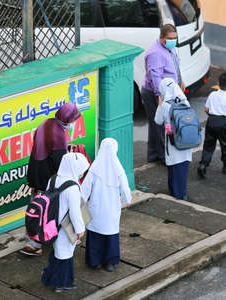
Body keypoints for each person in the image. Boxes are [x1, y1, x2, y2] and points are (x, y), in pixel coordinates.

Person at [21, 102, 81, 256]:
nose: (74, 123)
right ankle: (42, 241)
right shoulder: (59, 135)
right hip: (47, 178)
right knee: (51, 210)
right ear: (67, 119)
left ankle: (32, 241)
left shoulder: (46, 123)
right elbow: (59, 163)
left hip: (35, 172)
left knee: (36, 207)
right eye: (73, 120)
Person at [41, 153, 90, 292]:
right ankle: (61, 284)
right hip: (65, 227)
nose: (81, 173)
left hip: (51, 225)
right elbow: (75, 212)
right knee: (65, 255)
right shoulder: (73, 187)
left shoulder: (53, 179)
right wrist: (80, 230)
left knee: (58, 252)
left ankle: (51, 278)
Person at [81, 138, 132, 272]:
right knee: (111, 234)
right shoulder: (118, 169)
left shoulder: (95, 168)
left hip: (96, 208)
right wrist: (128, 200)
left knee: (95, 234)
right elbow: (125, 188)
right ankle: (110, 261)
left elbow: (84, 189)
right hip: (112, 208)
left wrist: (79, 202)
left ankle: (94, 261)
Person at [142, 23, 185, 164]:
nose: (173, 40)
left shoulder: (169, 48)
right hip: (156, 92)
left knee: (157, 125)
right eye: (170, 38)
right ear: (161, 38)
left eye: (175, 37)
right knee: (160, 124)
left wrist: (181, 81)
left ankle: (154, 154)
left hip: (168, 91)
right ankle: (162, 156)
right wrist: (159, 95)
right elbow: (155, 76)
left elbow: (175, 65)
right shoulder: (155, 53)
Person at [154, 78, 193, 200]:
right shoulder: (185, 101)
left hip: (173, 144)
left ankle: (177, 196)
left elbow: (157, 120)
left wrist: (159, 105)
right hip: (186, 142)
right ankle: (181, 193)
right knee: (182, 171)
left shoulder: (166, 105)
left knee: (174, 170)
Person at [197, 73, 226, 178]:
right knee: (225, 145)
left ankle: (203, 164)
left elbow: (206, 109)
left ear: (218, 84)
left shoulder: (212, 94)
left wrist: (212, 116)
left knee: (208, 145)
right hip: (222, 123)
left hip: (211, 121)